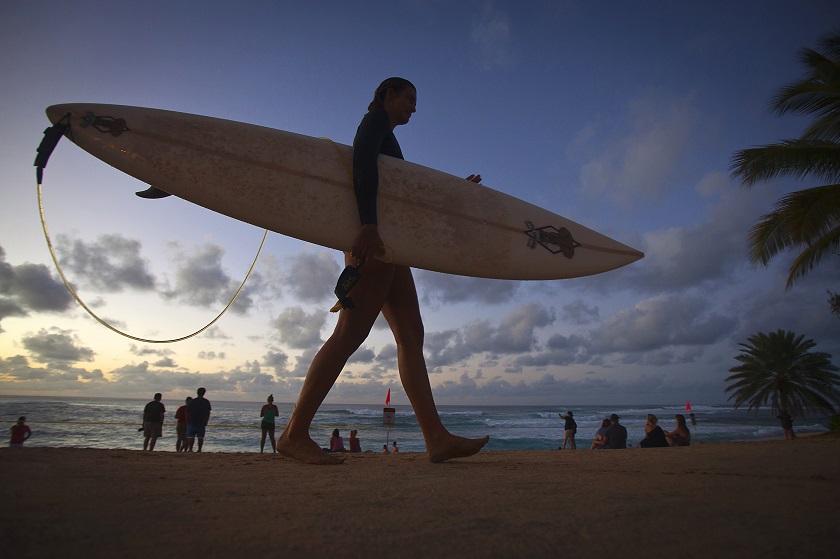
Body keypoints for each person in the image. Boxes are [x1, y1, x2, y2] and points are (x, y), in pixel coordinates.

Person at [275, 77, 489, 465]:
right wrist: (369, 225)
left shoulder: (388, 135)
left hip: (390, 244)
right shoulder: (373, 121)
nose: (414, 107)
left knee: (411, 335)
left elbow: (403, 194)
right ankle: (294, 433)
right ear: (387, 95)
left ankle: (436, 437)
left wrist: (456, 190)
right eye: (409, 98)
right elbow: (361, 162)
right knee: (349, 335)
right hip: (375, 242)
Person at [186, 387, 212, 452]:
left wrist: (188, 420)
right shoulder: (206, 402)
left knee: (191, 436)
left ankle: (190, 449)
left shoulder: (193, 401)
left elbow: (187, 411)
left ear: (197, 392)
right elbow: (208, 412)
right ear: (204, 393)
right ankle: (199, 449)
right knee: (200, 436)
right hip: (201, 421)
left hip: (193, 420)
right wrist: (206, 420)